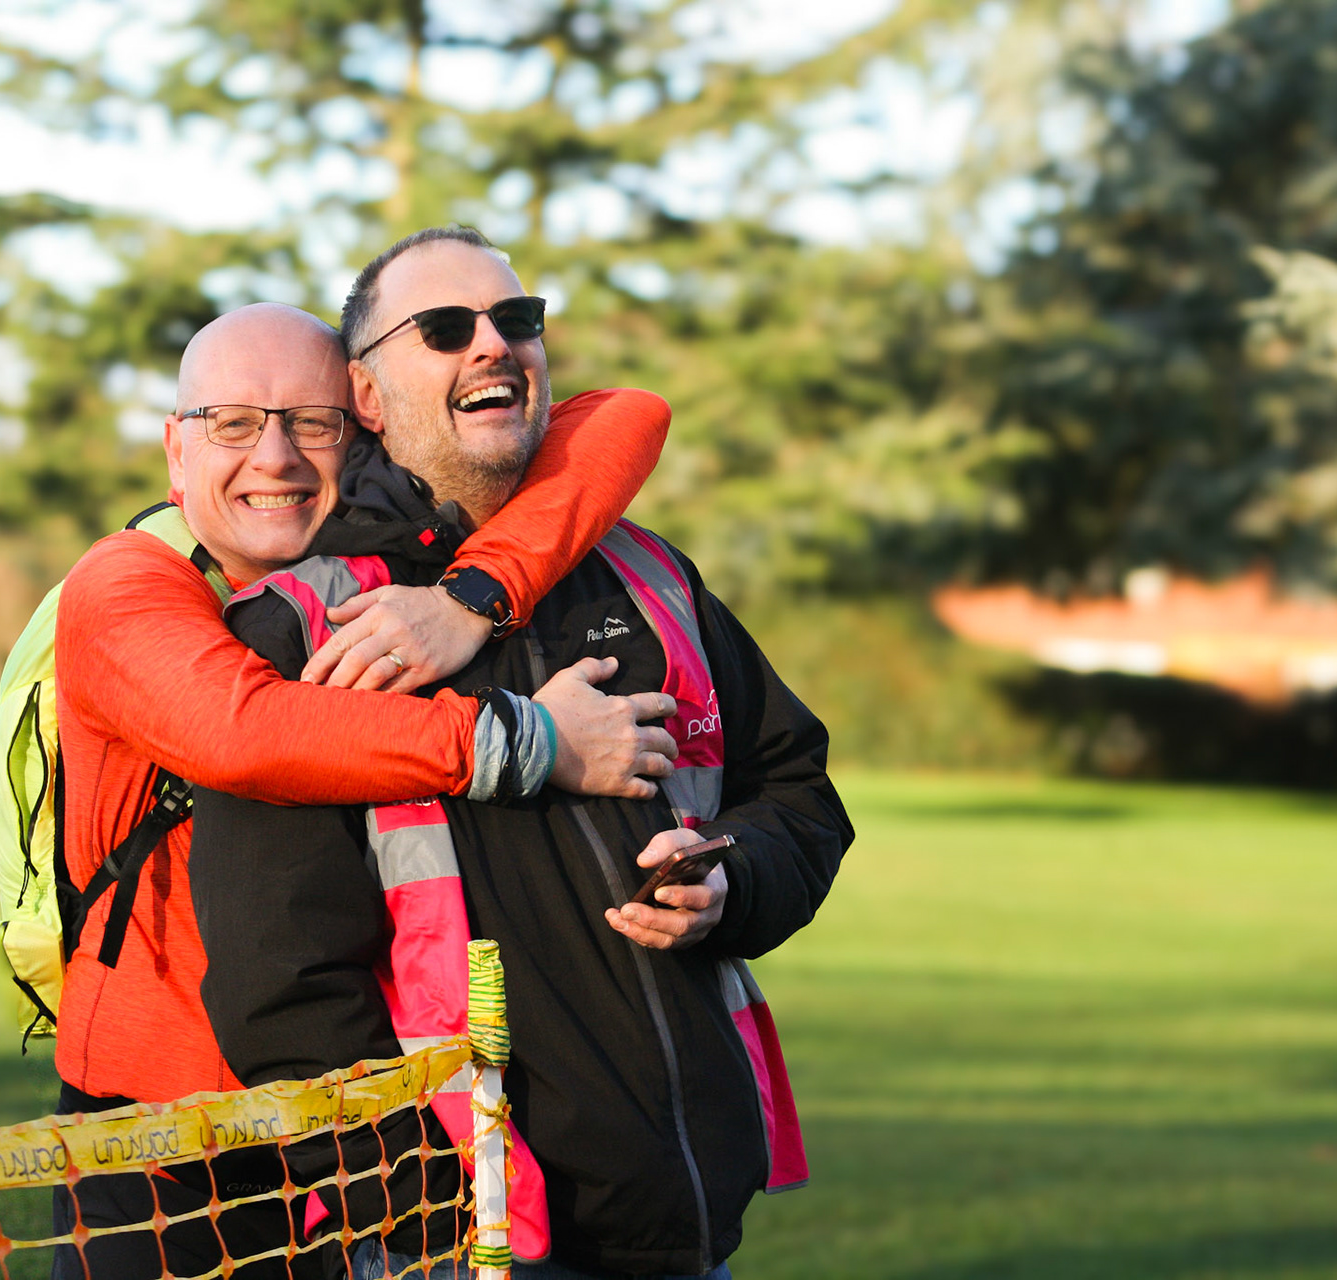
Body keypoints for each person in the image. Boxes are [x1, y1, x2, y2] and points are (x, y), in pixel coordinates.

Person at [192, 227, 852, 1278]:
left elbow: (799, 791)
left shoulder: (649, 573)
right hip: (463, 1245)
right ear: (366, 394)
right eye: (446, 329)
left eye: (518, 320)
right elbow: (282, 984)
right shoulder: (304, 626)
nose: (493, 345)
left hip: (686, 1230)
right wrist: (429, 1212)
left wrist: (734, 875)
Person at [47, 302, 679, 1279]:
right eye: (233, 423)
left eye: (313, 420)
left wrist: (476, 597)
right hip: (162, 1138)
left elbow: (625, 415)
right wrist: (530, 738)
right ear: (176, 451)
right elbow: (243, 729)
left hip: (334, 1128)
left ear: (365, 432)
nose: (277, 455)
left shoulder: (376, 589)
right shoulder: (123, 581)